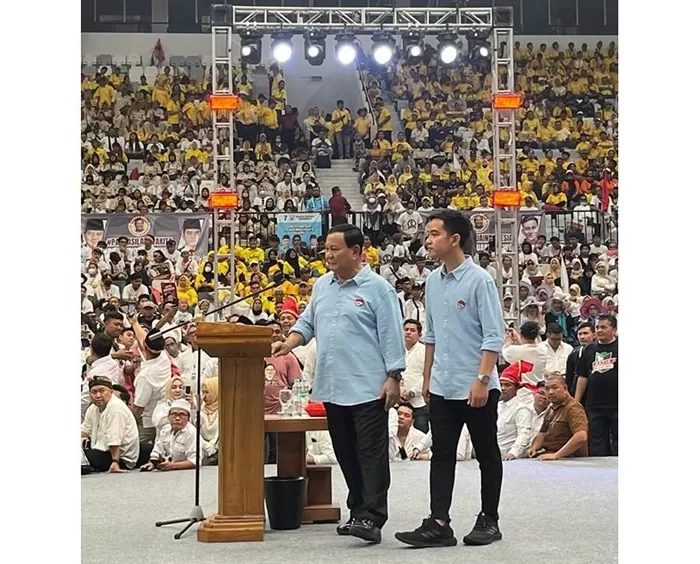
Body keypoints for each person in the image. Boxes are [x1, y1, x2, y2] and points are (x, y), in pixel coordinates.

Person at [272, 223, 405, 544]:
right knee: (346, 452)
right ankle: (358, 509)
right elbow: (307, 322)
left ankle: (373, 517)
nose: (327, 255)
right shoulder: (322, 286)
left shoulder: (378, 288)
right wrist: (289, 343)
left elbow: (392, 334)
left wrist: (394, 377)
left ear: (357, 252)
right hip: (333, 386)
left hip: (369, 386)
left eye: (334, 249)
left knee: (370, 454)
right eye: (326, 249)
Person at [396, 209, 505, 549]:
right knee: (442, 454)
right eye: (426, 234)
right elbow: (431, 335)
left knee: (486, 451)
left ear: (454, 239)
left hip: (476, 383)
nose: (427, 240)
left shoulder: (479, 280)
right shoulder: (433, 281)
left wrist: (482, 379)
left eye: (434, 234)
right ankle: (439, 522)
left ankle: (490, 518)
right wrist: (427, 376)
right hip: (442, 384)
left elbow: (493, 335)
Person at [575, 314, 618, 456]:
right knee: (597, 443)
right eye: (597, 327)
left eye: (604, 327)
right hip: (595, 405)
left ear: (614, 329)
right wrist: (576, 401)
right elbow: (582, 376)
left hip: (617, 404)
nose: (599, 330)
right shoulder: (589, 350)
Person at [81, 375, 140, 472]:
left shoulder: (115, 408)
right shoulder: (93, 408)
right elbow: (84, 430)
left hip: (121, 458)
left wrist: (115, 462)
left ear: (111, 392)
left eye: (102, 391)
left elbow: (114, 438)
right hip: (101, 451)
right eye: (94, 392)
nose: (98, 395)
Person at [528, 374, 589, 460]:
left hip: (570, 459)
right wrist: (534, 448)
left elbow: (581, 436)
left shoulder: (573, 407)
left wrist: (556, 455)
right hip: (551, 455)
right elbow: (542, 433)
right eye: (547, 388)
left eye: (555, 388)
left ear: (565, 388)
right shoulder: (550, 407)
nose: (550, 392)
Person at [140, 399, 199, 471]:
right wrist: (152, 463)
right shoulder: (165, 430)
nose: (177, 418)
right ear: (168, 417)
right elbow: (157, 450)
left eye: (182, 415)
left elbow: (195, 461)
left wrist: (172, 466)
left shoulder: (192, 433)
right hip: (166, 470)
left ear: (188, 418)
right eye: (174, 414)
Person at [401, 319, 428, 433]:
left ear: (419, 335)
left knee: (420, 434)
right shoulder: (397, 350)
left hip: (418, 402)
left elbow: (426, 375)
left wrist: (412, 392)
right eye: (406, 329)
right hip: (398, 401)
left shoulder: (424, 351)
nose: (408, 332)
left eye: (412, 330)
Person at [565, 322, 596, 396]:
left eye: (585, 333)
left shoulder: (599, 352)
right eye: (580, 334)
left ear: (594, 335)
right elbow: (569, 378)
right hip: (577, 394)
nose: (582, 337)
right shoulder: (573, 353)